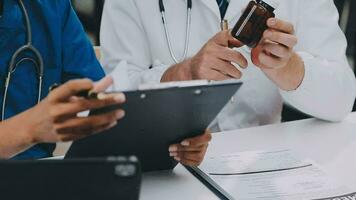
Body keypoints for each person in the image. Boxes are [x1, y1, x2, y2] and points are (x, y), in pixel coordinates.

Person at [100, 0, 356, 162]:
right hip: (169, 165)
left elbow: (341, 99)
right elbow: (111, 99)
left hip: (262, 163)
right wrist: (184, 73)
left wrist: (289, 68)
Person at [0, 0, 210, 166]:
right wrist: (28, 129)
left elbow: (103, 105)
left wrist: (174, 136)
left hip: (36, 176)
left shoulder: (51, 6)